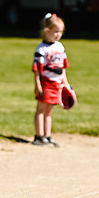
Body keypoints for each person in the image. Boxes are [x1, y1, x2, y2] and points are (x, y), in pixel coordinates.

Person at [32, 13, 71, 147]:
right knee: (41, 110)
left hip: (56, 84)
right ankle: (38, 136)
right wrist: (38, 85)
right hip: (46, 83)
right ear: (46, 30)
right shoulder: (41, 49)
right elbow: (37, 69)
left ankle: (47, 136)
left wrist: (65, 83)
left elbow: (63, 67)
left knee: (49, 111)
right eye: (55, 31)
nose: (58, 35)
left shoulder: (60, 47)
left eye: (60, 32)